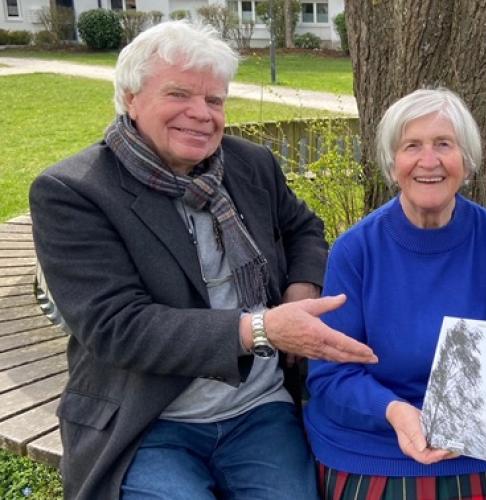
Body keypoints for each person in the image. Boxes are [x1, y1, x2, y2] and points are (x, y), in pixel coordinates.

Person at [29, 21, 376, 500]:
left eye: (214, 100)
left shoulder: (250, 164)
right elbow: (117, 326)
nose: (201, 114)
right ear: (131, 97)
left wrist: (302, 286)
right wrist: (262, 329)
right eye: (179, 94)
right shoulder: (75, 192)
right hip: (147, 420)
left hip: (259, 409)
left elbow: (303, 230)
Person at [304, 88, 486, 499]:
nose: (428, 161)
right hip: (380, 445)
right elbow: (330, 377)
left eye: (443, 145)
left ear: (466, 162)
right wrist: (392, 411)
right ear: (393, 165)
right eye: (412, 146)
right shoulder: (355, 250)